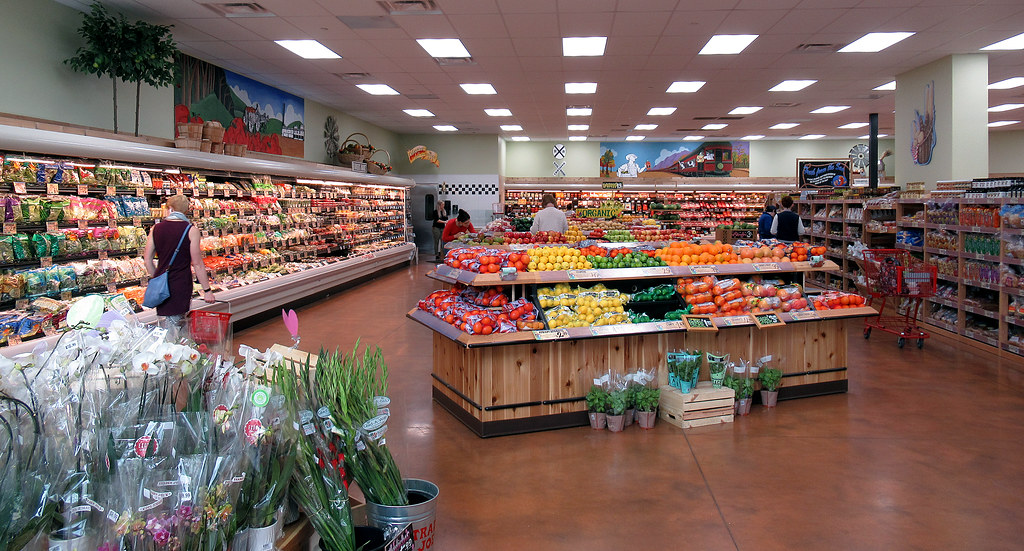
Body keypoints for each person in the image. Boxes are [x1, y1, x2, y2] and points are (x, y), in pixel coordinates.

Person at [143, 194, 215, 338]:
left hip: (162, 287)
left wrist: (157, 278)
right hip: (181, 284)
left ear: (170, 208)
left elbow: (147, 260)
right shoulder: (190, 230)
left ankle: (167, 354)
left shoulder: (156, 229)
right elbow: (197, 264)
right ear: (186, 211)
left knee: (166, 326)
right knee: (179, 326)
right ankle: (177, 354)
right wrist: (207, 290)